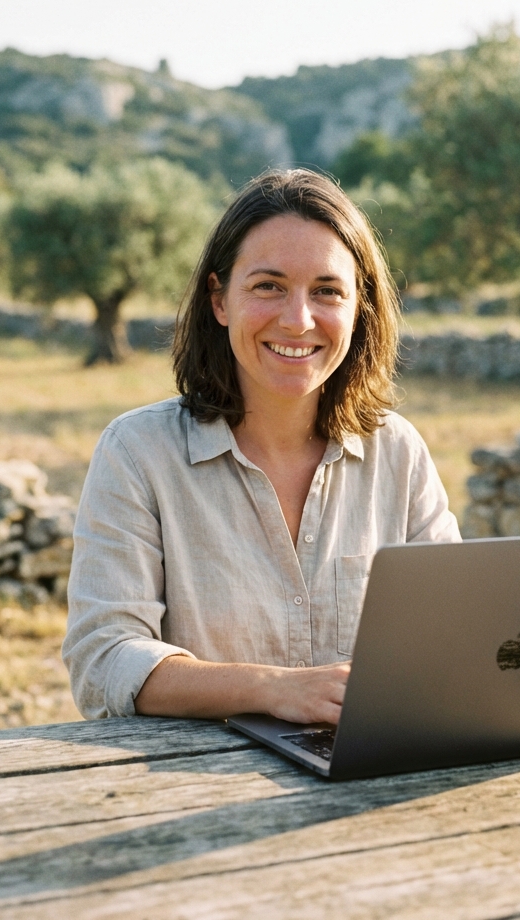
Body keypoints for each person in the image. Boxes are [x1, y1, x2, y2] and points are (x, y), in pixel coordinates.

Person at [63, 169, 460, 726]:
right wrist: (273, 689)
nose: (298, 320)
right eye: (268, 286)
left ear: (358, 308)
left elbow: (455, 631)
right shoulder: (136, 454)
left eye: (327, 291)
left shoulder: (399, 452)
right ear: (220, 300)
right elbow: (103, 661)